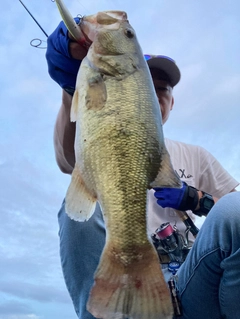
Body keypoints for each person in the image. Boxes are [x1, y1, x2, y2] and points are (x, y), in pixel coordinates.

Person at [46, 18, 239, 319]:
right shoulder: (94, 111)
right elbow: (67, 160)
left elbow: (233, 217)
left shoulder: (197, 156)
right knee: (78, 219)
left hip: (192, 287)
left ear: (172, 103)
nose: (156, 92)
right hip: (124, 293)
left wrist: (196, 199)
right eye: (149, 82)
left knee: (236, 211)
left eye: (163, 89)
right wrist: (71, 89)